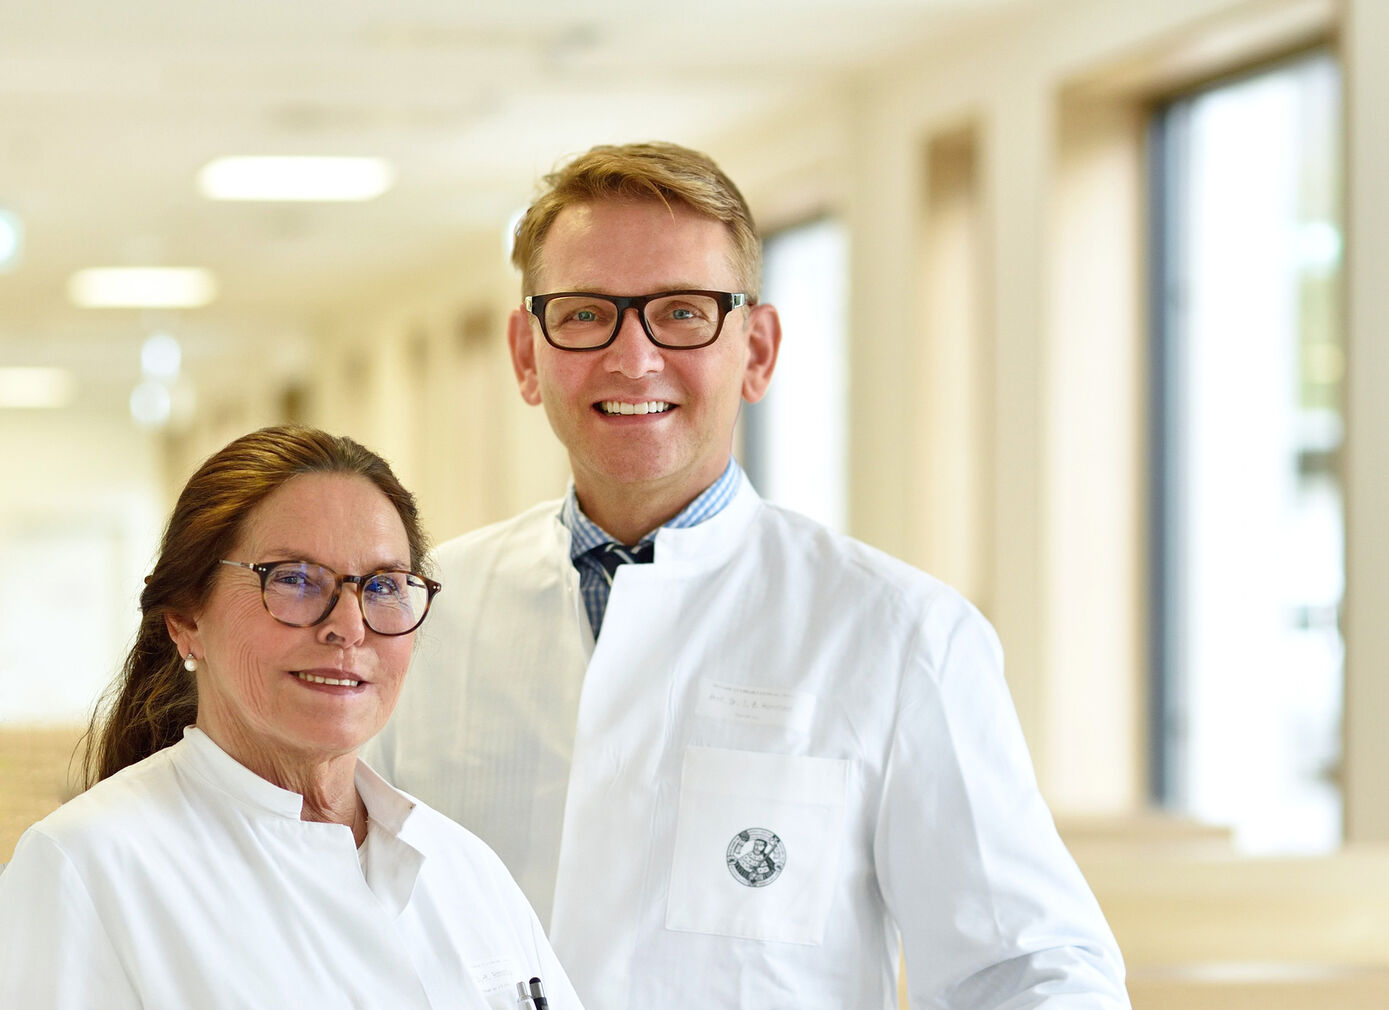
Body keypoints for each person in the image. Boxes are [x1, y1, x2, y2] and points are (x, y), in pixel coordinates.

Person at [367, 142, 1131, 1008]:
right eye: (584, 314)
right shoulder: (415, 612)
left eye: (682, 312)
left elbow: (1026, 971)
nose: (632, 356)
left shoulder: (900, 633)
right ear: (525, 353)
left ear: (756, 349)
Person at [0, 426, 581, 1010]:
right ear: (186, 620)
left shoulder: (464, 869)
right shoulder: (85, 866)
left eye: (382, 586)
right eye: (295, 579)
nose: (349, 627)